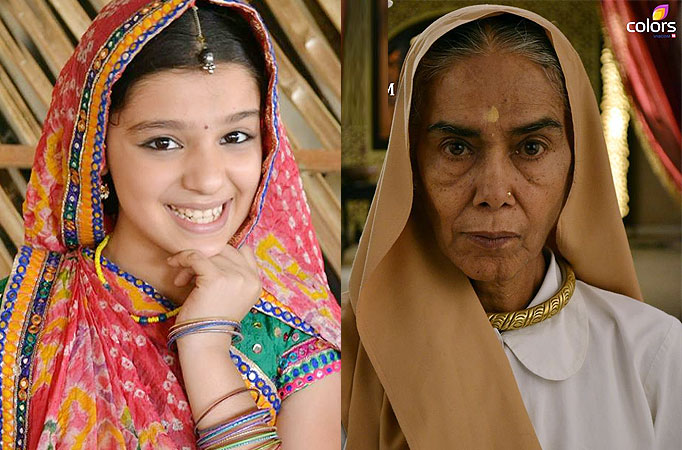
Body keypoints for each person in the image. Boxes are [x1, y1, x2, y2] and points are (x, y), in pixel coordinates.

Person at [0, 0, 340, 448]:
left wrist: (205, 346)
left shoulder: (298, 342)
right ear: (96, 151)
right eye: (163, 142)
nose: (208, 179)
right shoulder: (20, 317)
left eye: (235, 137)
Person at [342, 5, 681, 449]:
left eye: (532, 147)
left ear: (575, 166)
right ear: (411, 168)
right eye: (457, 147)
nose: (495, 191)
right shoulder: (346, 353)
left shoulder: (654, 355)